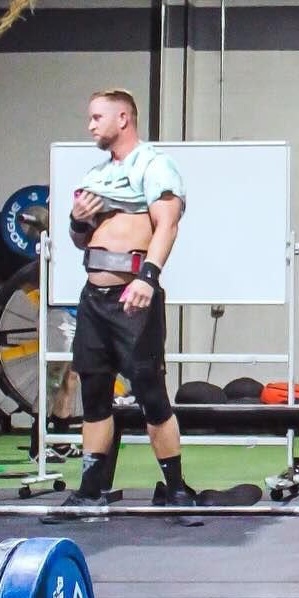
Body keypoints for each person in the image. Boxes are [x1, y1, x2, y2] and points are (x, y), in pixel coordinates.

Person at [50, 89, 194, 516]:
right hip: (93, 298)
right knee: (94, 394)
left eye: (98, 117)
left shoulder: (154, 166)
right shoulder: (96, 175)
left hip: (134, 297)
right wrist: (77, 222)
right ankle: (91, 490)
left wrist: (149, 277)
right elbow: (81, 239)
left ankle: (176, 488)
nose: (91, 125)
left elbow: (167, 224)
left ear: (124, 118)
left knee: (151, 394)